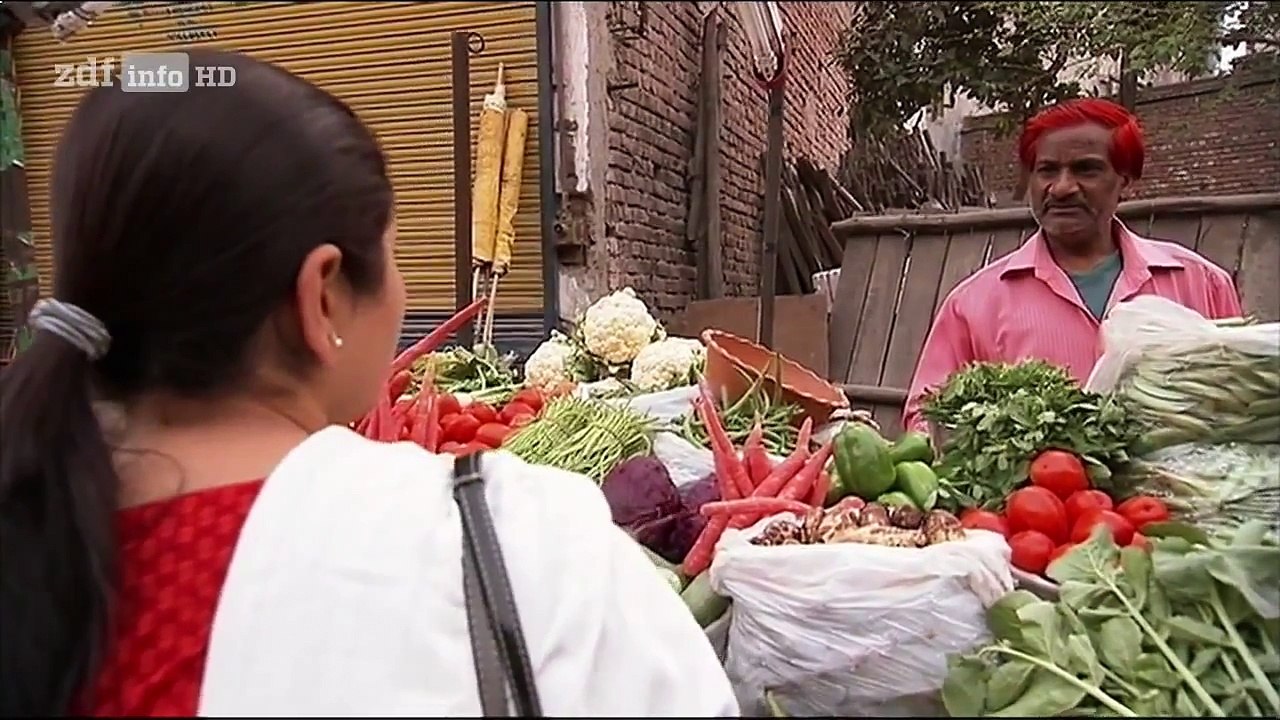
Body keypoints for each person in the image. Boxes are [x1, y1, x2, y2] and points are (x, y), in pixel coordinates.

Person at [0, 49, 738, 717]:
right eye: (390, 255)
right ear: (320, 297)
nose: (402, 290)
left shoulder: (35, 533)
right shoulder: (515, 544)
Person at [902, 98, 1242, 432]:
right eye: (1047, 170)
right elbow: (926, 418)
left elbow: (1243, 400)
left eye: (1086, 169)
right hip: (1034, 488)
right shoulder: (974, 304)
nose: (1062, 187)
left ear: (1125, 180)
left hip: (1177, 485)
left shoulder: (1200, 283)